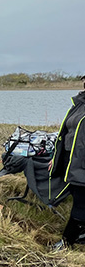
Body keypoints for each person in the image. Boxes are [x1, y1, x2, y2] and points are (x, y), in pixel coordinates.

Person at [49, 76, 85, 249]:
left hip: (82, 162)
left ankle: (66, 242)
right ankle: (81, 235)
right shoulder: (78, 103)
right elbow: (66, 133)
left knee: (80, 202)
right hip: (70, 159)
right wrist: (56, 159)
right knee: (76, 195)